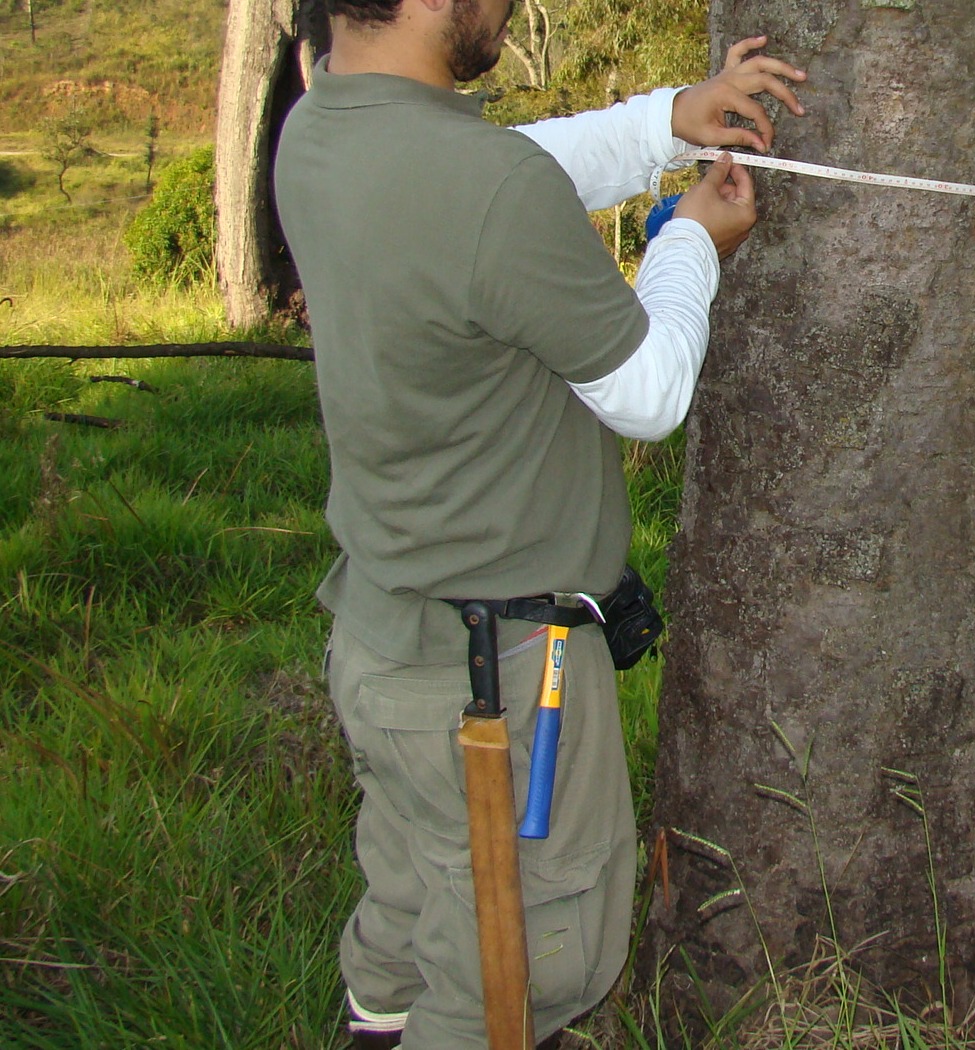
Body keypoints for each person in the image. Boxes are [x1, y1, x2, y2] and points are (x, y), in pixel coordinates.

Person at [271, 2, 805, 1046]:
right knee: (514, 975)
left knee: (411, 919)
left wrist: (667, 123)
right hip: (500, 687)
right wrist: (691, 241)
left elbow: (500, 175)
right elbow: (649, 389)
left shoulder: (321, 127)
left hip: (384, 644)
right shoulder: (482, 187)